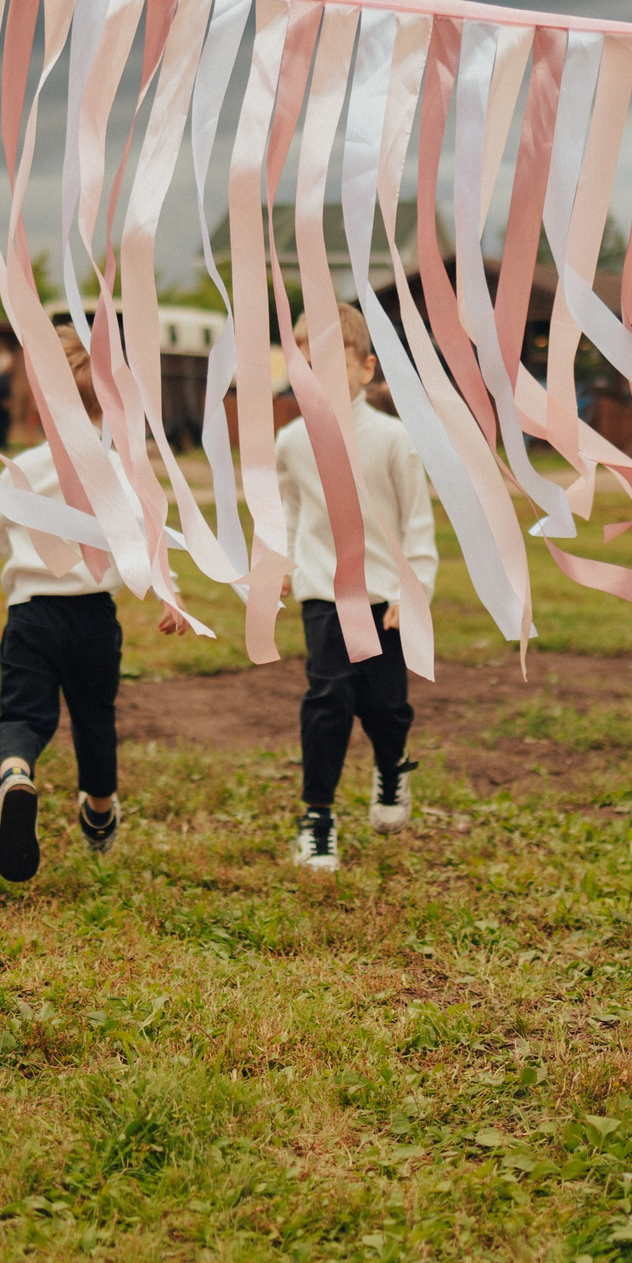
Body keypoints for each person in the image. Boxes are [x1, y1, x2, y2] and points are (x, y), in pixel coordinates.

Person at [0, 326, 187, 883]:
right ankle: (98, 813)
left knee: (23, 714)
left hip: (30, 617)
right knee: (95, 717)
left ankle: (17, 774)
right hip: (94, 617)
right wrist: (172, 594)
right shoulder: (117, 469)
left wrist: (21, 538)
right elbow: (148, 536)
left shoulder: (23, 470)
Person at [275, 305, 436, 871]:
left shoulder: (394, 440)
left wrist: (410, 593)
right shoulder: (291, 442)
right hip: (324, 593)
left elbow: (417, 522)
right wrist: (282, 569)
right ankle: (317, 818)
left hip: (385, 598)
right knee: (329, 698)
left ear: (365, 369)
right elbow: (290, 512)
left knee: (386, 707)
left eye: (329, 361)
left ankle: (392, 768)